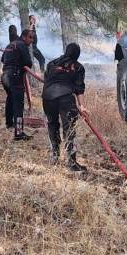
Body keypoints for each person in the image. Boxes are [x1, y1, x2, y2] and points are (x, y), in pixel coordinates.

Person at [42, 42, 88, 172]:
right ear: (77, 55)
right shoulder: (78, 67)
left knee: (52, 125)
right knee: (70, 129)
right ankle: (72, 162)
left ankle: (55, 156)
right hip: (65, 98)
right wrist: (82, 106)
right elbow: (79, 89)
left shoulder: (52, 64)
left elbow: (46, 80)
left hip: (47, 97)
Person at [2, 28, 34, 141]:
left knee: (10, 98)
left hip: (5, 76)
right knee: (18, 105)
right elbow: (28, 63)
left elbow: (3, 59)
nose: (32, 40)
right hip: (15, 76)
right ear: (24, 37)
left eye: (33, 38)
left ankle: (9, 123)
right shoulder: (22, 45)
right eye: (30, 37)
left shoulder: (10, 45)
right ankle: (19, 133)